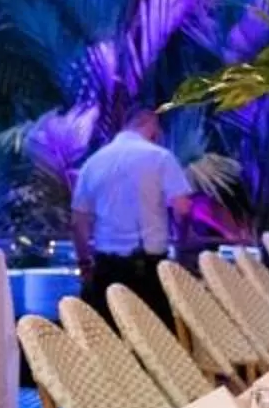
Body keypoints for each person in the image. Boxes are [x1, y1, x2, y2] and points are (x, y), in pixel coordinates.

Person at [72, 109, 189, 321]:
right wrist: (181, 244)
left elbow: (78, 221)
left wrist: (84, 263)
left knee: (109, 336)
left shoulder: (93, 162)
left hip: (106, 267)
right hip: (148, 265)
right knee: (155, 336)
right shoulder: (160, 157)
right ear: (151, 126)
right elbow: (182, 208)